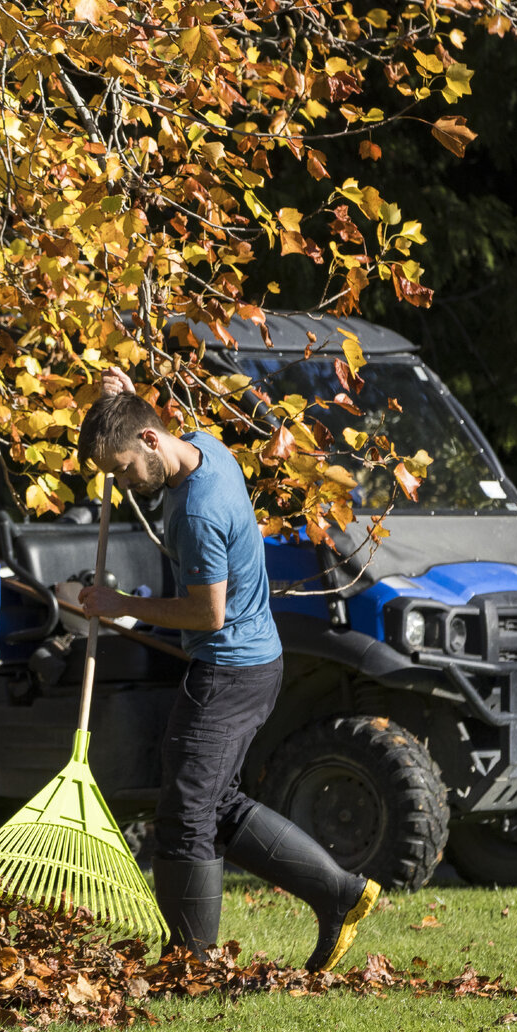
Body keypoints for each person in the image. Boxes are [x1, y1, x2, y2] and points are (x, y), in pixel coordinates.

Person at [75, 368, 381, 971]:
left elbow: (206, 614)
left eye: (123, 469)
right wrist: (122, 395)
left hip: (229, 670)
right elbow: (150, 428)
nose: (124, 484)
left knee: (186, 815)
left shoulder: (198, 514)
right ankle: (341, 896)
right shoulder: (206, 447)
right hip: (252, 663)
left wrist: (121, 606)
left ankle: (190, 962)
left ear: (150, 442)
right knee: (213, 803)